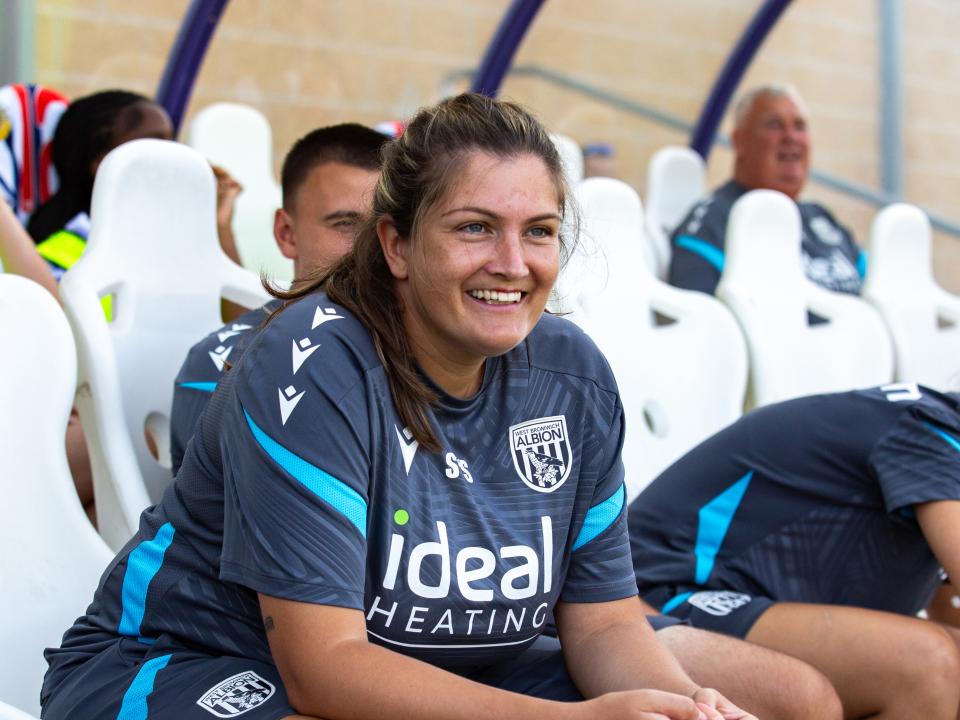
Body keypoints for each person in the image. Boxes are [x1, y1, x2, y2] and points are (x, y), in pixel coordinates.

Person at [42, 93, 758, 720]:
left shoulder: (573, 375)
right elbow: (325, 668)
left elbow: (602, 627)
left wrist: (684, 708)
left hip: (435, 665)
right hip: (182, 662)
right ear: (397, 245)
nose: (513, 262)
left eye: (538, 230)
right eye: (475, 227)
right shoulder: (312, 363)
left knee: (782, 701)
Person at [628, 383, 960, 719]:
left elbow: (947, 604)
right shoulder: (930, 434)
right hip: (656, 592)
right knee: (929, 664)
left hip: (738, 599)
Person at [169, 122, 387, 474]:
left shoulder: (433, 355)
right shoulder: (215, 369)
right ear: (286, 233)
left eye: (386, 227)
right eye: (345, 224)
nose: (372, 248)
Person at [668, 84, 865, 296]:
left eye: (799, 126)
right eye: (774, 125)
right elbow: (698, 319)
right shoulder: (712, 222)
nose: (791, 137)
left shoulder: (821, 217)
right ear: (739, 141)